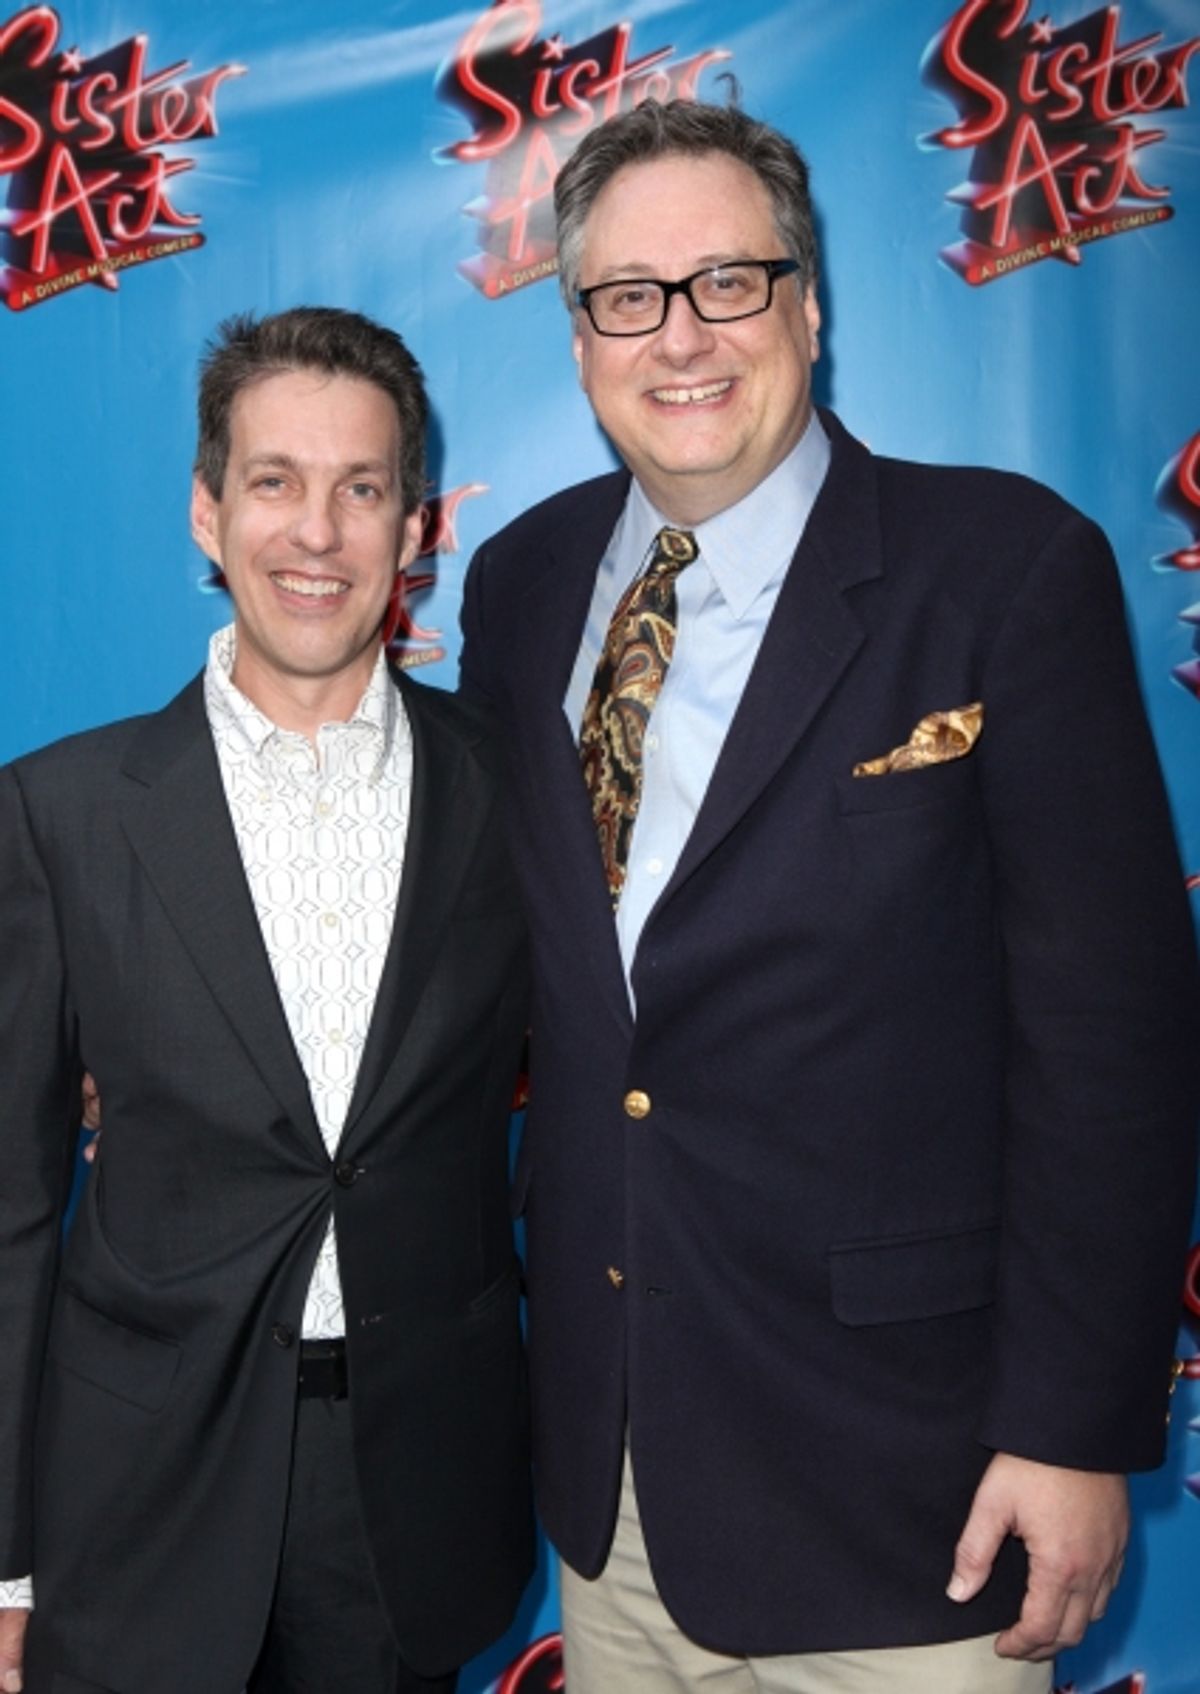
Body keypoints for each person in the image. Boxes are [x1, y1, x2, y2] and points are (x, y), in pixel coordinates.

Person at [459, 98, 1200, 1693]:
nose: (682, 337)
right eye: (628, 297)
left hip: (914, 1502)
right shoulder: (518, 591)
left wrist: (1071, 1429)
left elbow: (1115, 1041)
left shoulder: (1003, 567)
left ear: (810, 302)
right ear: (579, 335)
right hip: (613, 1490)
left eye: (730, 280)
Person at [0, 307, 533, 1694]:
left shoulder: (512, 788)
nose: (317, 533)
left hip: (412, 1484)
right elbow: (5, 1208)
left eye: (361, 489)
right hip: (133, 1492)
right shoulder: (59, 814)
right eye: (275, 482)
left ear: (415, 527)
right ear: (206, 510)